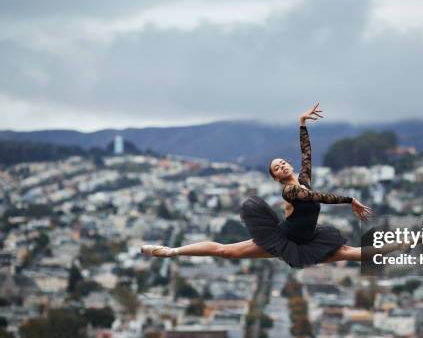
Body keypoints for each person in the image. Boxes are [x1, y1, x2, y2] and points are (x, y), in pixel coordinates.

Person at [142, 104, 401, 268]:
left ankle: (402, 245)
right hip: (282, 239)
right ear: (276, 178)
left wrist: (302, 123)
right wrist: (350, 200)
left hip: (309, 240)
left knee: (352, 253)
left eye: (283, 163)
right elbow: (318, 197)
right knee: (226, 252)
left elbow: (307, 154)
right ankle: (171, 251)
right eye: (276, 168)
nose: (283, 167)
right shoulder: (290, 191)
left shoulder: (304, 180)